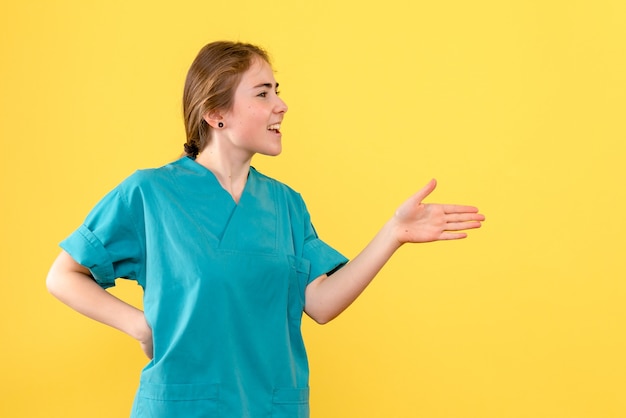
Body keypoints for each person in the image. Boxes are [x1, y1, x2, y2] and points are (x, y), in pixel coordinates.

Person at [46, 41, 485, 418]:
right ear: (216, 113)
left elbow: (322, 304)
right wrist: (140, 326)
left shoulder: (285, 204)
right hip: (184, 404)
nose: (281, 105)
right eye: (262, 93)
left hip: (271, 406)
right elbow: (62, 276)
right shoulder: (150, 194)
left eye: (277, 91)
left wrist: (393, 233)